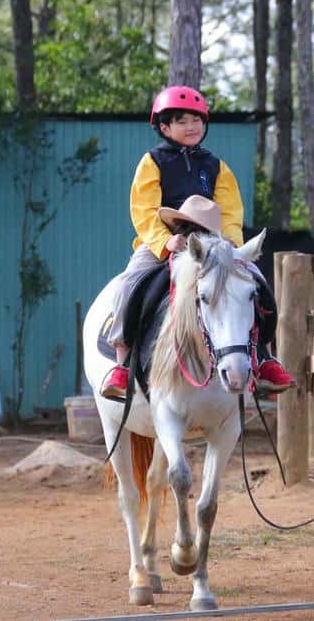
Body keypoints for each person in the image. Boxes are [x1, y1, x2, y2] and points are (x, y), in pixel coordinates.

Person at [101, 85, 296, 399]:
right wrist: (166, 241)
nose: (192, 127)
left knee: (256, 283)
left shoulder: (217, 166)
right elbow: (144, 209)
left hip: (212, 242)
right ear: (164, 127)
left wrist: (231, 245)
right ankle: (122, 365)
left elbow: (231, 210)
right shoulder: (152, 162)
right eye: (181, 121)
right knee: (129, 284)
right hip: (163, 243)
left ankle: (264, 358)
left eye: (197, 120)